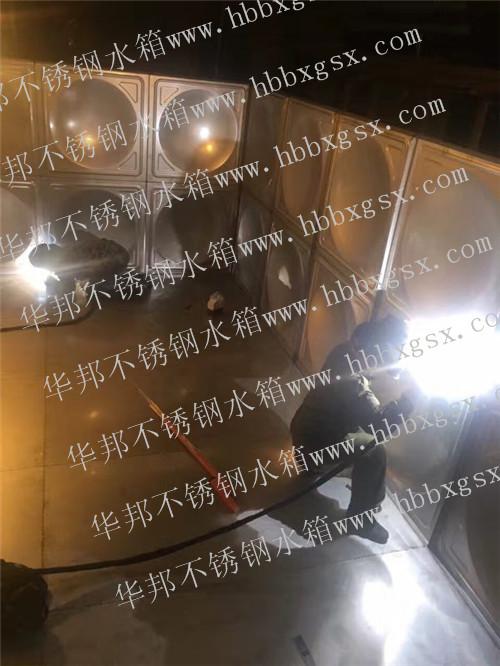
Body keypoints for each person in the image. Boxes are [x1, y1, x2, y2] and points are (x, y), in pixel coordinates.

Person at [290, 315, 417, 544]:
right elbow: (380, 427)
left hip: (305, 433)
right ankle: (361, 520)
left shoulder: (346, 351)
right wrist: (408, 400)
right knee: (374, 451)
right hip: (312, 447)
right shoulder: (353, 381)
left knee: (358, 429)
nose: (400, 354)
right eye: (397, 347)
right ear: (380, 347)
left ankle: (314, 468)